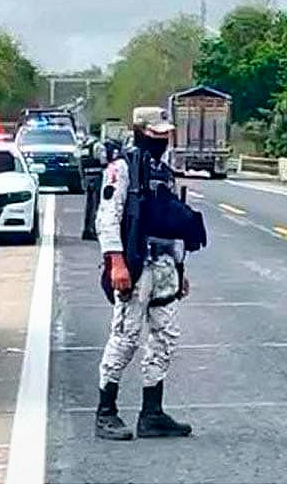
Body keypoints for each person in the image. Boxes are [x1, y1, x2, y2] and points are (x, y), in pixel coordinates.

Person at [93, 115, 193, 441]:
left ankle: (152, 414)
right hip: (135, 264)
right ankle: (106, 412)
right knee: (126, 337)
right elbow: (107, 218)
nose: (162, 140)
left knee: (165, 336)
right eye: (156, 134)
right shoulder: (122, 169)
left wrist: (180, 269)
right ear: (140, 132)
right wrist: (116, 263)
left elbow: (171, 224)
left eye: (166, 134)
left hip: (165, 265)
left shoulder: (163, 172)